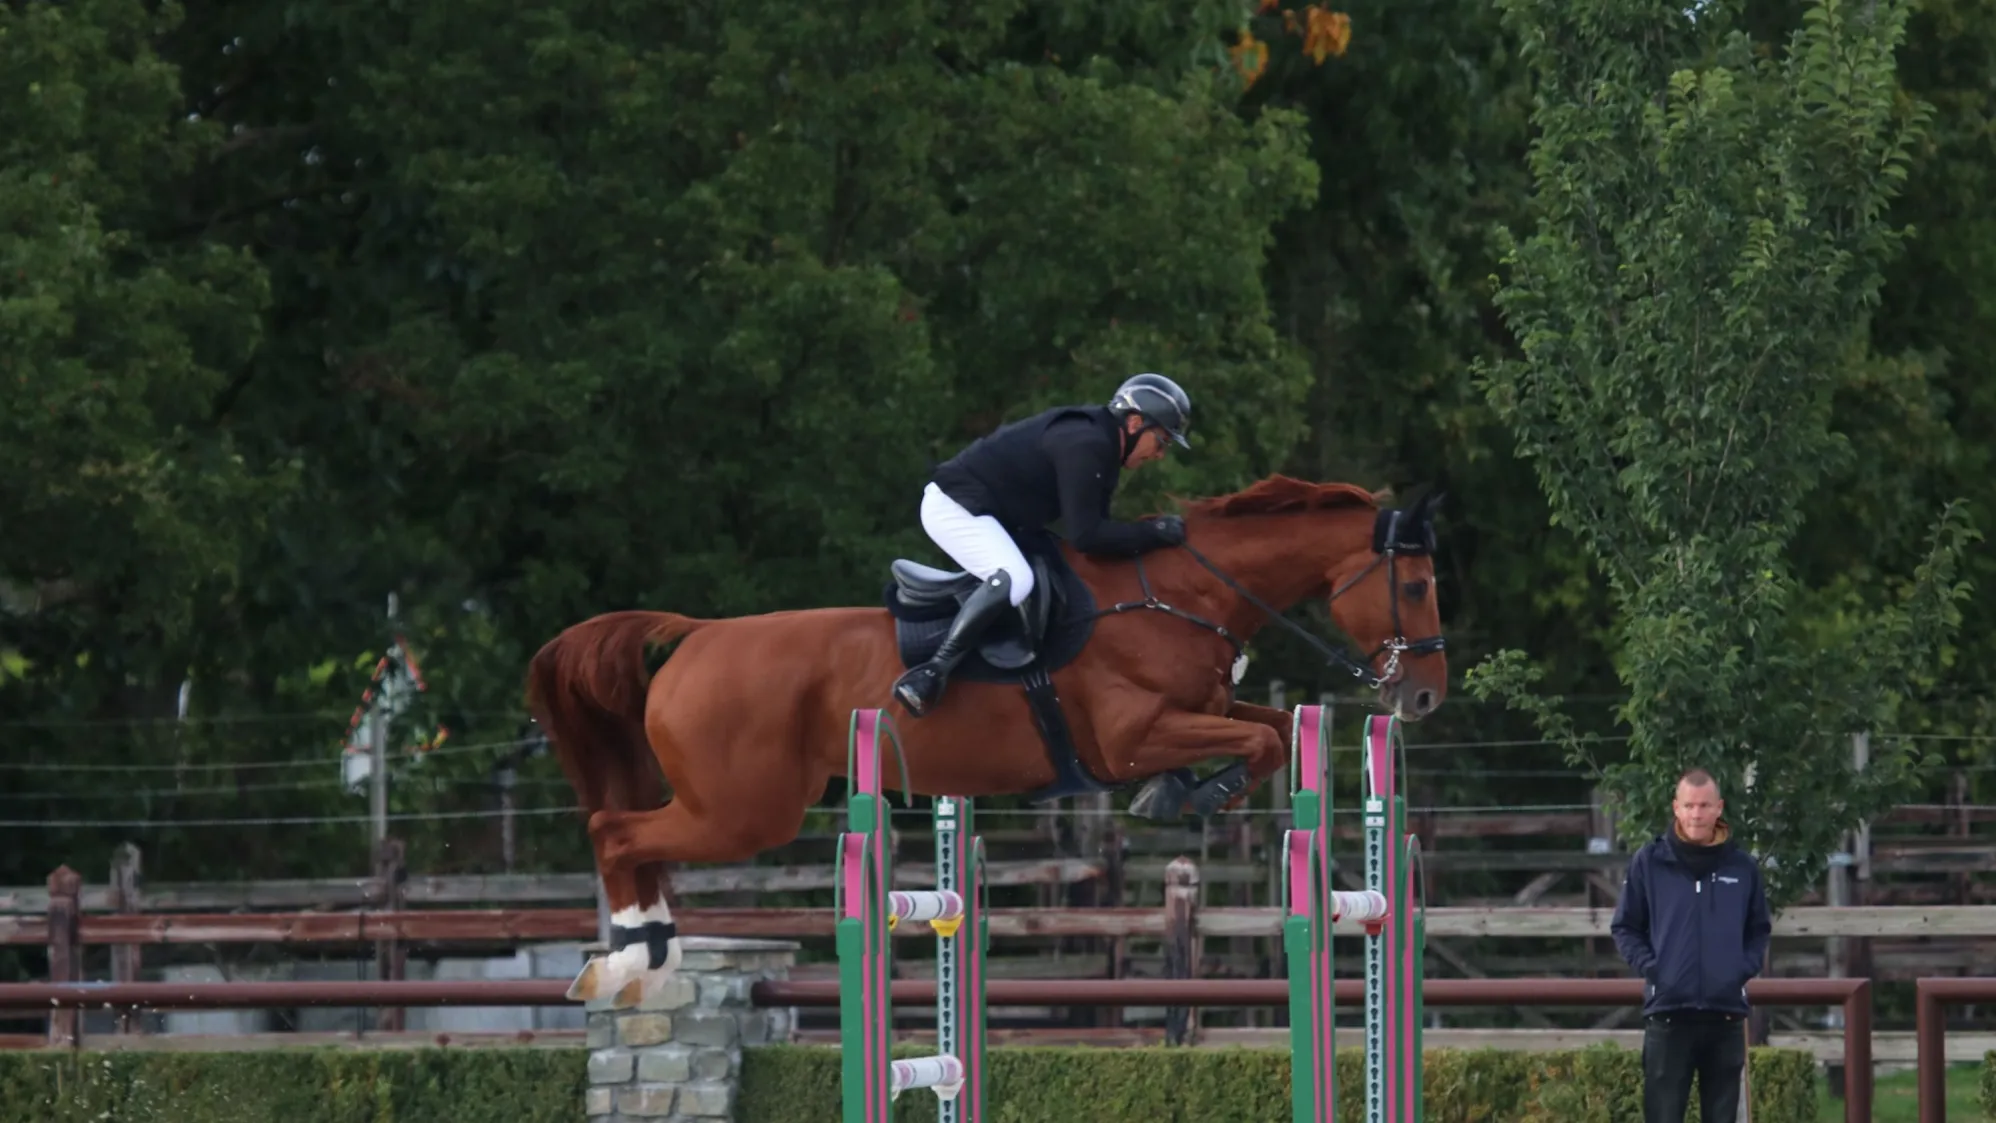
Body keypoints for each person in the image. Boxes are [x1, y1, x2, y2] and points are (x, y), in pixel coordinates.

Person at [891, 373, 1193, 717]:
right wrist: (1154, 533)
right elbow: (1087, 536)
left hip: (996, 515)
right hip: (955, 508)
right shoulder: (1087, 444)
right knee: (1016, 579)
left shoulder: (1104, 446)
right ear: (1136, 422)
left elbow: (1095, 538)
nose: (1160, 455)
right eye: (1162, 441)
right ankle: (930, 673)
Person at [1610, 767, 1773, 1123]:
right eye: (1689, 805)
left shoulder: (1743, 867)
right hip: (1668, 1015)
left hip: (1725, 1015)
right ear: (1676, 808)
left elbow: (1759, 930)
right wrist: (1655, 971)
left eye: (1704, 805)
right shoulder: (1648, 863)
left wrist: (1737, 972)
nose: (1696, 814)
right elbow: (1625, 927)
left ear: (1719, 808)